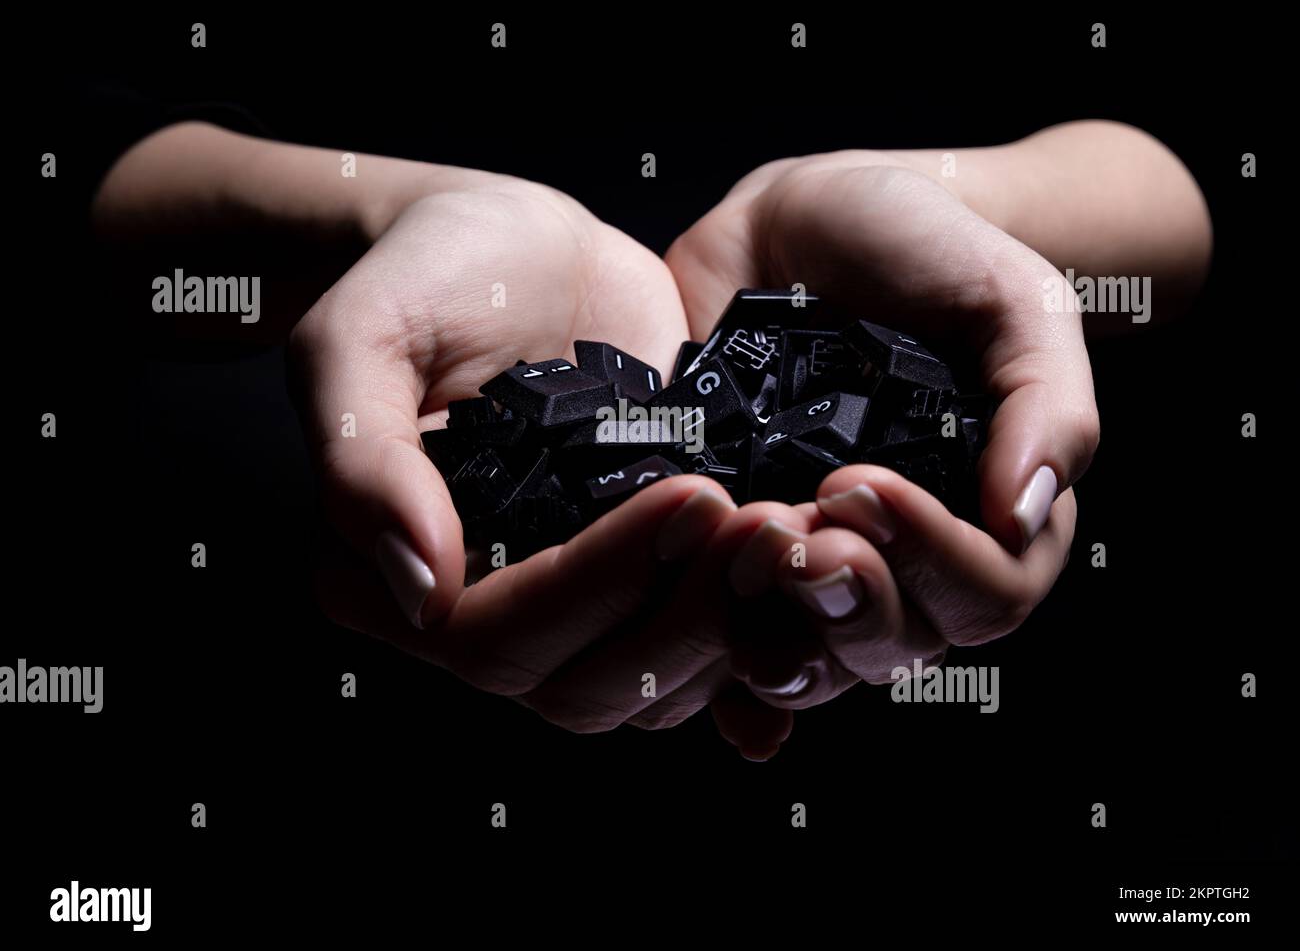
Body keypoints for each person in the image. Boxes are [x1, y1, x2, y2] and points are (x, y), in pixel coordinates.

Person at [90, 115, 1211, 759]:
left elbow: (1183, 194)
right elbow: (91, 178)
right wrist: (388, 211)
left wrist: (949, 209)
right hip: (251, 659)